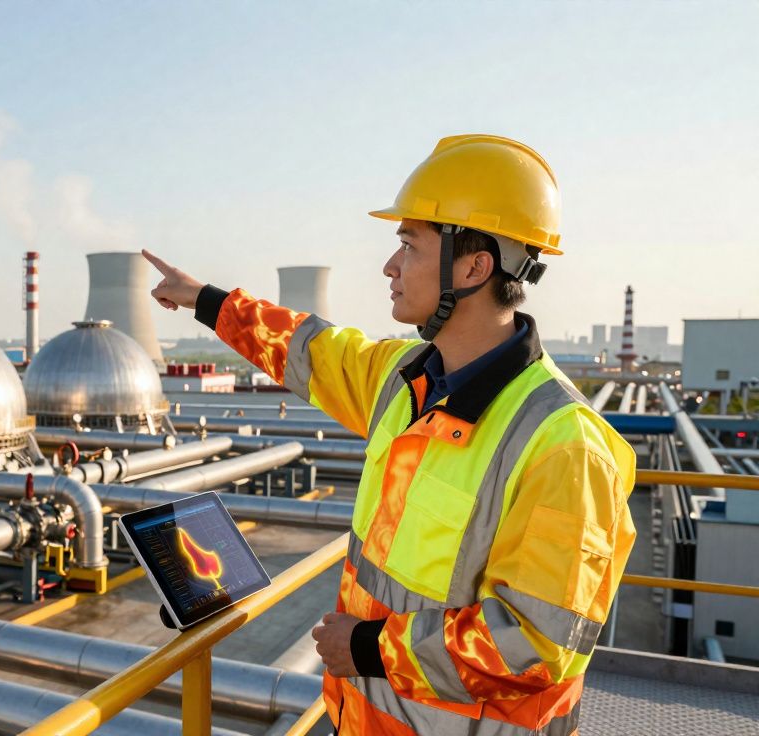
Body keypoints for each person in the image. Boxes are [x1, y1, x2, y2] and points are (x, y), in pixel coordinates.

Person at [144, 134, 635, 735]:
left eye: (409, 245)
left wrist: (370, 648)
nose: (389, 266)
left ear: (474, 267)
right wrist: (204, 300)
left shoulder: (565, 447)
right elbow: (308, 347)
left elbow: (536, 642)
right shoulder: (403, 378)